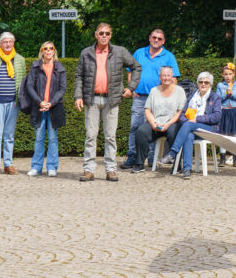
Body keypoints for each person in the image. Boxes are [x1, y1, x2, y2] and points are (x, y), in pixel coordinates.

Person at [74, 23, 141, 182]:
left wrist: (130, 88)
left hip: (112, 100)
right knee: (91, 135)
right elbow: (79, 76)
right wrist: (78, 96)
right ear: (96, 34)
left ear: (110, 35)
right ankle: (89, 170)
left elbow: (136, 67)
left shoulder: (120, 51)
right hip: (91, 99)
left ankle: (111, 169)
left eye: (107, 33)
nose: (104, 36)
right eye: (101, 33)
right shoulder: (86, 53)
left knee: (110, 136)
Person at [123, 28, 181, 169]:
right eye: (154, 37)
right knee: (135, 127)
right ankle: (133, 156)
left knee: (154, 126)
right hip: (140, 97)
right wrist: (132, 88)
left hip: (158, 100)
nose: (156, 40)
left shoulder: (169, 56)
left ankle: (150, 157)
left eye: (159, 38)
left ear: (163, 41)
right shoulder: (139, 53)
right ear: (149, 38)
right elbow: (131, 71)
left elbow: (174, 79)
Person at [163, 71, 222, 179]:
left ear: (210, 84)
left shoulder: (215, 98)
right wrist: (188, 122)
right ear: (198, 83)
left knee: (189, 126)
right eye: (201, 82)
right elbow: (182, 114)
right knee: (188, 135)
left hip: (209, 129)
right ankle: (187, 169)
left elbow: (217, 117)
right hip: (191, 127)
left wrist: (197, 119)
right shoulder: (191, 97)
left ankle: (172, 153)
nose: (203, 84)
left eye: (206, 82)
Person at [0, 31, 27, 175]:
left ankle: (8, 164)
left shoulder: (20, 60)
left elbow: (23, 80)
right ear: (0, 44)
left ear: (13, 43)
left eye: (10, 42)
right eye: (5, 42)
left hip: (14, 103)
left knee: (9, 135)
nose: (8, 44)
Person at [129, 66, 185, 173]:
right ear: (160, 77)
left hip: (172, 122)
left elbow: (179, 112)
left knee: (174, 132)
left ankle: (177, 165)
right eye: (164, 75)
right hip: (156, 122)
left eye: (168, 75)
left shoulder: (180, 91)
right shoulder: (154, 91)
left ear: (172, 76)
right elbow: (147, 110)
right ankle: (139, 163)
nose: (166, 78)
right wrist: (153, 123)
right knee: (141, 131)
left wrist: (168, 124)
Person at [23, 41, 67, 178]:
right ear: (42, 51)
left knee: (53, 138)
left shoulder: (60, 67)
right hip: (39, 107)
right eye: (45, 49)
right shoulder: (35, 67)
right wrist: (40, 102)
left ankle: (52, 167)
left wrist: (51, 103)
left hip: (54, 108)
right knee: (38, 138)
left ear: (54, 51)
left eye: (51, 49)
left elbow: (62, 89)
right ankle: (36, 167)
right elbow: (29, 86)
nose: (48, 51)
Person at [218, 63, 236, 167]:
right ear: (222, 75)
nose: (228, 76)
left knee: (234, 134)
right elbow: (219, 98)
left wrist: (232, 94)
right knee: (223, 134)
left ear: (233, 74)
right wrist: (226, 94)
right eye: (225, 74)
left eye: (230, 74)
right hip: (224, 110)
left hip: (234, 111)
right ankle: (222, 157)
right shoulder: (220, 85)